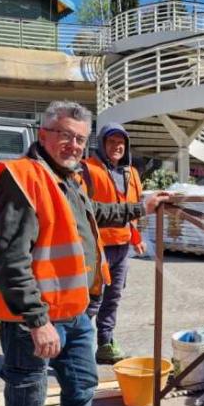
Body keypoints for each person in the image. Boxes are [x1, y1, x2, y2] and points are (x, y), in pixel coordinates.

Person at [0, 101, 170, 406]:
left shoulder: (67, 178)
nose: (75, 146)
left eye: (81, 139)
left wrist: (140, 207)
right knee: (27, 403)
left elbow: (95, 213)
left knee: (83, 385)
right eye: (66, 136)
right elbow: (11, 260)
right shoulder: (20, 177)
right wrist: (37, 321)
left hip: (76, 313)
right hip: (34, 321)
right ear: (43, 134)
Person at [83, 123, 145, 364]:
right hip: (96, 248)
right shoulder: (87, 169)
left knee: (113, 298)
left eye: (121, 142)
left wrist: (136, 238)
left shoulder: (131, 173)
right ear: (102, 144)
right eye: (111, 142)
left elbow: (131, 209)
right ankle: (76, 348)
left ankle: (106, 344)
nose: (117, 146)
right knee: (91, 300)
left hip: (122, 247)